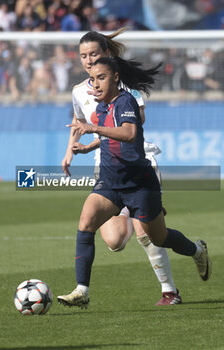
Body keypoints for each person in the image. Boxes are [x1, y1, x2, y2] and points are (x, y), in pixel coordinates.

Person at [57, 56, 212, 309]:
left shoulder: (125, 101)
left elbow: (129, 133)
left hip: (139, 184)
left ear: (116, 77)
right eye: (93, 79)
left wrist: (93, 129)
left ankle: (197, 251)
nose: (96, 84)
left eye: (102, 78)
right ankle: (82, 290)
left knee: (159, 237)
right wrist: (87, 148)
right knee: (86, 224)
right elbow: (110, 138)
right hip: (110, 182)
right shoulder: (101, 108)